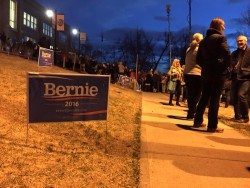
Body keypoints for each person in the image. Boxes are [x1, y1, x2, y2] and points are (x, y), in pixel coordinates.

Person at [193, 18, 231, 133]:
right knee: (215, 99)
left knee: (204, 96)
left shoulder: (204, 41)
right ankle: (212, 126)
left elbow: (198, 59)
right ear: (219, 26)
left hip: (206, 72)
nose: (224, 27)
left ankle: (197, 121)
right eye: (223, 25)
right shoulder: (221, 38)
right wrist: (226, 67)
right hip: (218, 73)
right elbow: (227, 54)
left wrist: (206, 66)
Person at [184, 33, 204, 119]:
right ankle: (192, 112)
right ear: (200, 40)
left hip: (187, 74)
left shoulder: (189, 49)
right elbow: (202, 62)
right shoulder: (200, 49)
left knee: (190, 95)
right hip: (197, 74)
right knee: (197, 95)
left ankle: (190, 113)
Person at [230, 35, 250, 123]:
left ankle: (245, 117)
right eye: (237, 41)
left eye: (241, 41)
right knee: (234, 97)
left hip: (246, 78)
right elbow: (230, 64)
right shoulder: (234, 53)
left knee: (241, 95)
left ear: (246, 41)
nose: (239, 42)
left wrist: (245, 71)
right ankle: (237, 116)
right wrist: (231, 68)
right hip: (235, 77)